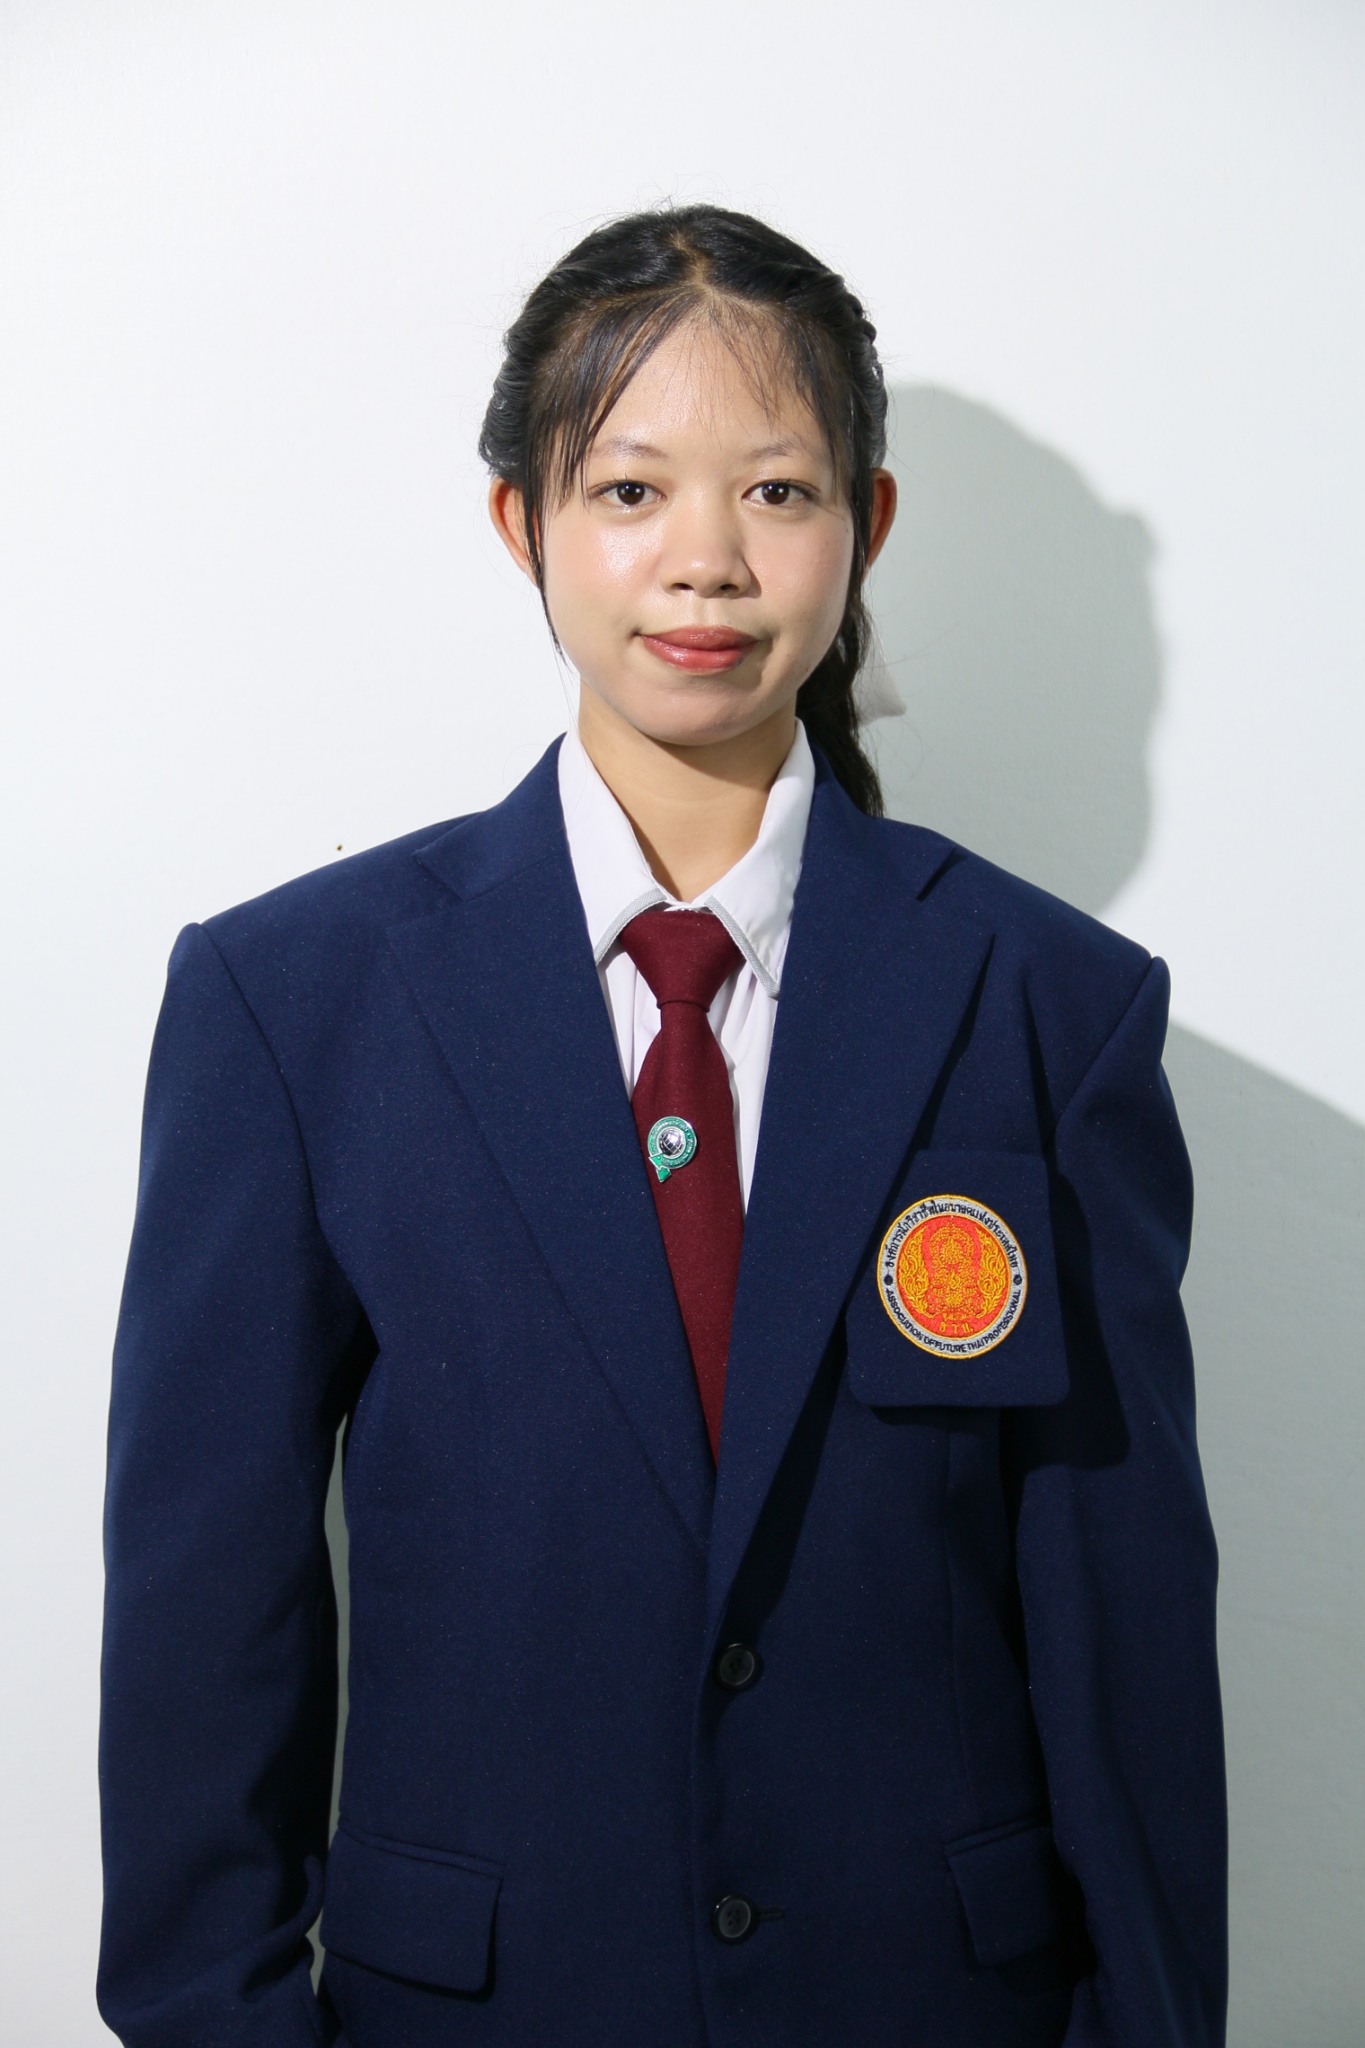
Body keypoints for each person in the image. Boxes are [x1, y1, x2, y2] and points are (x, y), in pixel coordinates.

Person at [97, 204, 1227, 2048]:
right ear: (519, 524)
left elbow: (1124, 1620)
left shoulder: (1046, 1004)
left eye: (776, 492)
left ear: (865, 526)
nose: (703, 558)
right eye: (628, 491)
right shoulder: (296, 1002)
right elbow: (204, 1609)